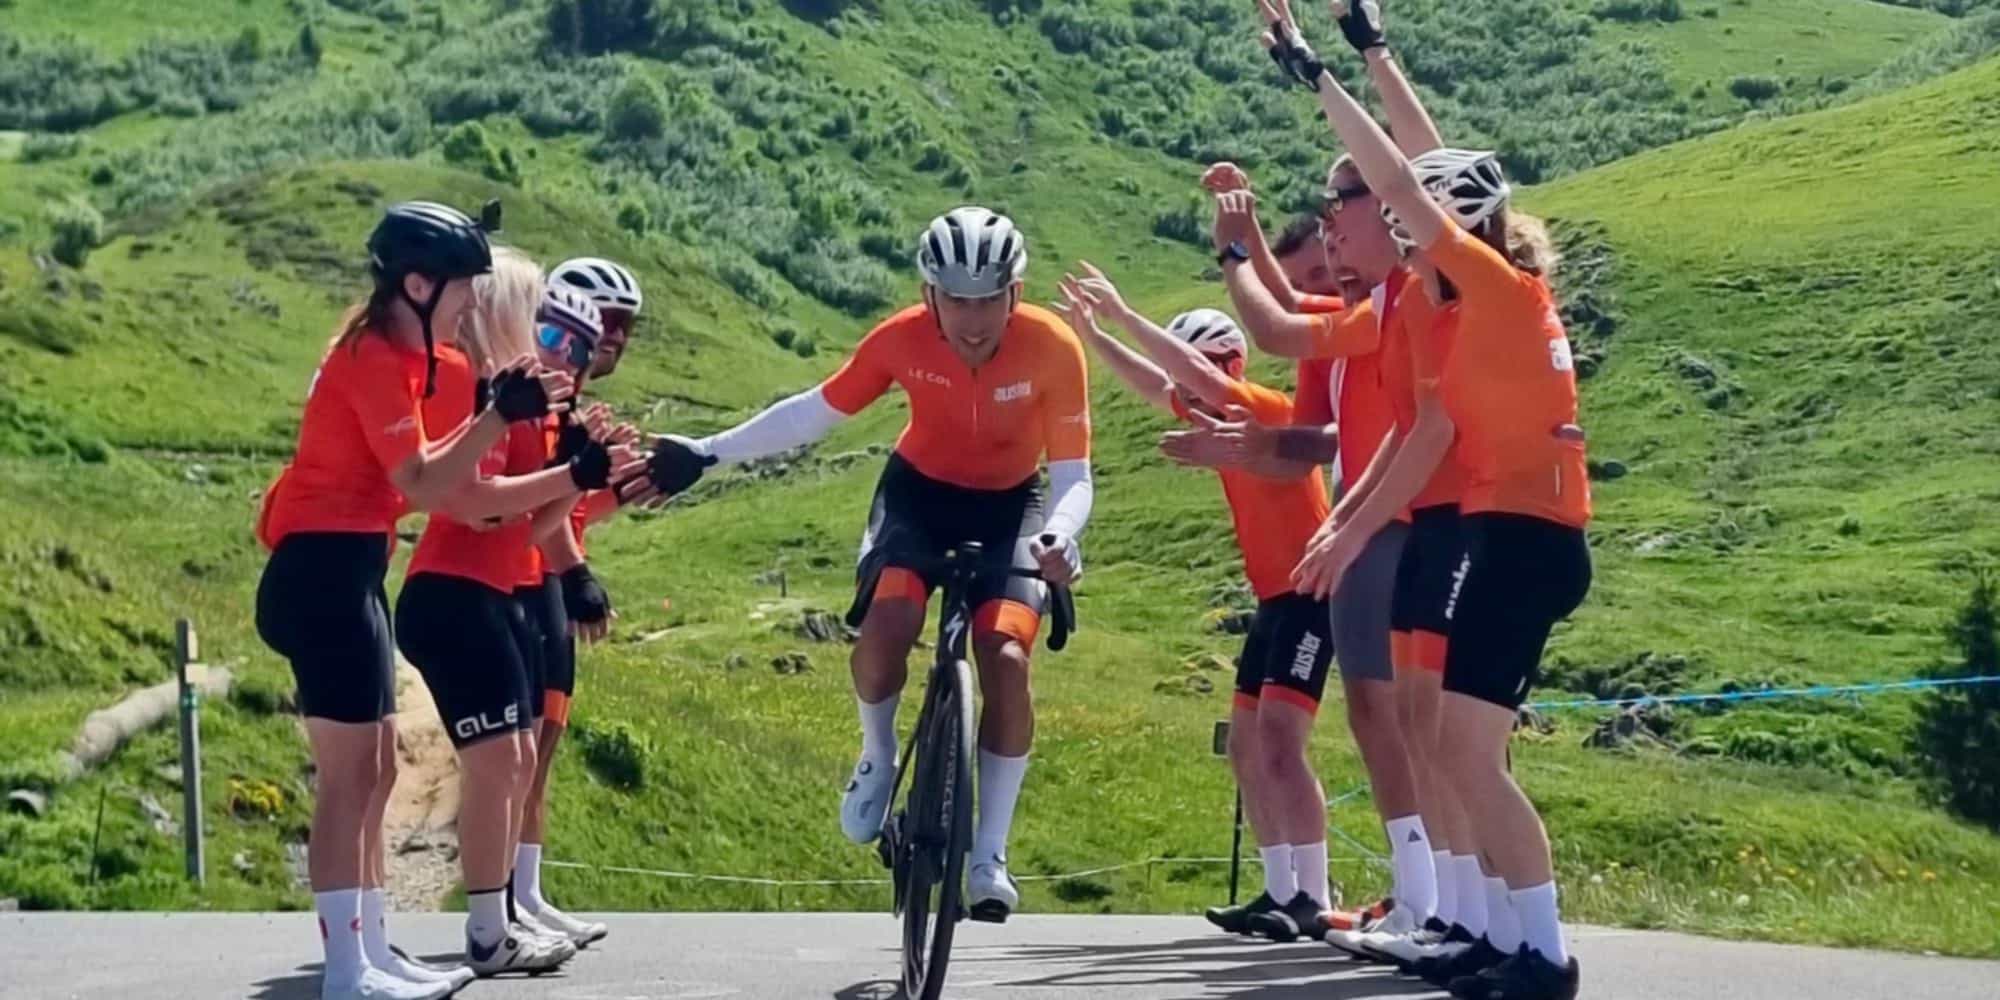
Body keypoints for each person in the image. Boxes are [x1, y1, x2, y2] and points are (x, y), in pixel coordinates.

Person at [1264, 2, 1593, 997]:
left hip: (1526, 540)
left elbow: (1410, 169)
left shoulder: (1491, 290)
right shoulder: (1453, 323)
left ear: (1460, 230)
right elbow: (1417, 449)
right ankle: (1498, 934)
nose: (1405, 245)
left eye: (1417, 234)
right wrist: (1350, 522)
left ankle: (1540, 951)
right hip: (1504, 531)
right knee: (1451, 748)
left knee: (1466, 755)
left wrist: (1321, 71)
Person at [643, 207, 1093, 922]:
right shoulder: (901, 341)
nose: (973, 320)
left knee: (1005, 654)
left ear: (1015, 293)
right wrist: (707, 450)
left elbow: (1073, 473)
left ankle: (989, 855)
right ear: (928, 296)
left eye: (987, 300)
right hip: (919, 495)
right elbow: (811, 414)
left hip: (1017, 506)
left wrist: (1062, 538)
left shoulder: (1052, 347)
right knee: (889, 622)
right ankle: (877, 755)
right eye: (956, 299)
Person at [254, 201, 569, 1000]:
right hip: (321, 573)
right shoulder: (371, 358)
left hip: (355, 570)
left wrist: (547, 454)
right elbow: (429, 484)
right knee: (348, 779)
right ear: (419, 285)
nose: (472, 307)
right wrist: (498, 414)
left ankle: (373, 950)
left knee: (378, 771)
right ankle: (345, 971)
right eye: (464, 290)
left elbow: (460, 492)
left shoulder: (416, 356)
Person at [1056, 270, 1337, 944]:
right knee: (1246, 747)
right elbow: (1160, 384)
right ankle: (1277, 889)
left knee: (1280, 740)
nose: (1190, 397)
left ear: (1230, 366)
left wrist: (1124, 309)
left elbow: (1189, 376)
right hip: (1274, 598)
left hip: (1313, 594)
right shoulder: (1210, 413)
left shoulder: (1261, 410)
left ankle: (1316, 896)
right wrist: (1096, 336)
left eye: (1202, 377)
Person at [392, 247, 641, 979]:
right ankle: (488, 927)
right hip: (454, 592)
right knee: (501, 762)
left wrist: (586, 479)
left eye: (578, 347)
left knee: (518, 759)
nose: (566, 357)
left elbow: (531, 527)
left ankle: (498, 919)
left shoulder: (526, 403)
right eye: (553, 336)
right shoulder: (489, 396)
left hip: (491, 593)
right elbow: (478, 512)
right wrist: (572, 475)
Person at [507, 259, 650, 949]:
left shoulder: (576, 398)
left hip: (549, 577)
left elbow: (572, 506)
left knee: (546, 744)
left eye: (627, 326)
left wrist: (621, 490)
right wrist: (580, 573)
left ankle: (526, 891)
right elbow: (538, 503)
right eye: (608, 321)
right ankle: (505, 897)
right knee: (522, 747)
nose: (617, 337)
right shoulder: (546, 392)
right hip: (530, 579)